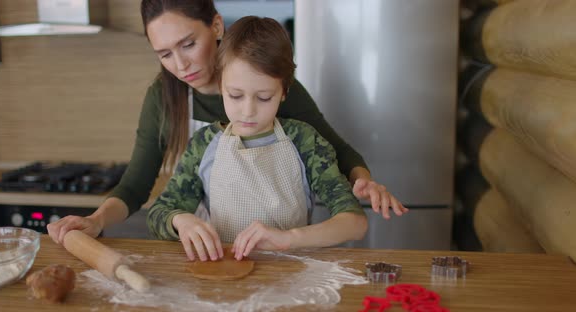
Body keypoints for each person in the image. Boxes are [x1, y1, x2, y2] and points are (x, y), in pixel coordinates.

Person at [47, 0, 407, 245]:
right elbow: (137, 187)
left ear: (215, 26)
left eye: (187, 44)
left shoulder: (277, 92)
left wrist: (363, 182)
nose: (180, 64)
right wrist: (96, 221)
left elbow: (337, 152)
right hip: (218, 257)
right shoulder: (169, 104)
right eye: (164, 54)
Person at [148, 15, 369, 262]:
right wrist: (181, 220)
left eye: (264, 97)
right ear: (221, 86)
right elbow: (159, 212)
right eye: (235, 95)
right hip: (223, 279)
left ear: (284, 92)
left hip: (290, 277)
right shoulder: (203, 144)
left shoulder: (304, 141)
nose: (248, 111)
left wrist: (290, 238)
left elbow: (355, 223)